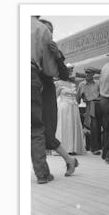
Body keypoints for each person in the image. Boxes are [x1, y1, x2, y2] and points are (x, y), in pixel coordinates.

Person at [38, 19, 79, 178]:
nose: (46, 34)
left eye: (50, 31)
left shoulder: (55, 51)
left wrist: (58, 56)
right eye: (43, 30)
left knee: (46, 134)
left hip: (46, 91)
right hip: (31, 90)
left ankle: (69, 159)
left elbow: (64, 75)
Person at [31, 16, 58, 184]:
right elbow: (49, 69)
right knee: (36, 127)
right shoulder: (41, 28)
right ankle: (42, 174)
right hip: (29, 74)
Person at [55, 64, 86, 155]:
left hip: (73, 107)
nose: (70, 73)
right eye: (68, 71)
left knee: (73, 125)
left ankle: (73, 147)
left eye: (71, 71)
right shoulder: (58, 83)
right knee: (64, 125)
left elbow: (76, 97)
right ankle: (64, 148)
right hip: (64, 107)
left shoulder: (72, 84)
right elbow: (55, 97)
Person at [77, 67, 102, 155]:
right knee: (93, 126)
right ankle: (94, 148)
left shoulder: (98, 83)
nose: (88, 74)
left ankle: (99, 146)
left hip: (99, 104)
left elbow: (102, 94)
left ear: (93, 74)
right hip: (90, 105)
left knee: (99, 126)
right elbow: (77, 99)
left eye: (90, 73)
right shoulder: (82, 84)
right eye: (86, 72)